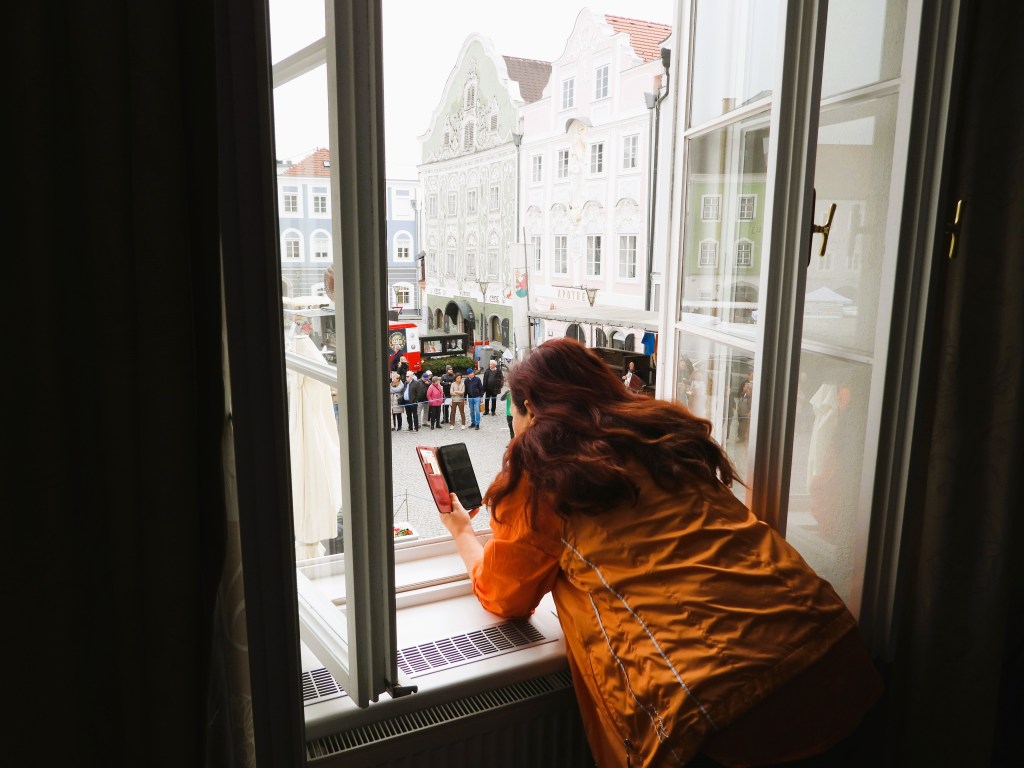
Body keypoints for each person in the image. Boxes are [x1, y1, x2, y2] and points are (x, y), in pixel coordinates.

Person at [437, 338, 882, 768]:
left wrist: (462, 533)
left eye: (514, 417)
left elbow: (505, 595)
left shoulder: (542, 472)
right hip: (835, 651)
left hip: (726, 709)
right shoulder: (661, 434)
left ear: (530, 408)